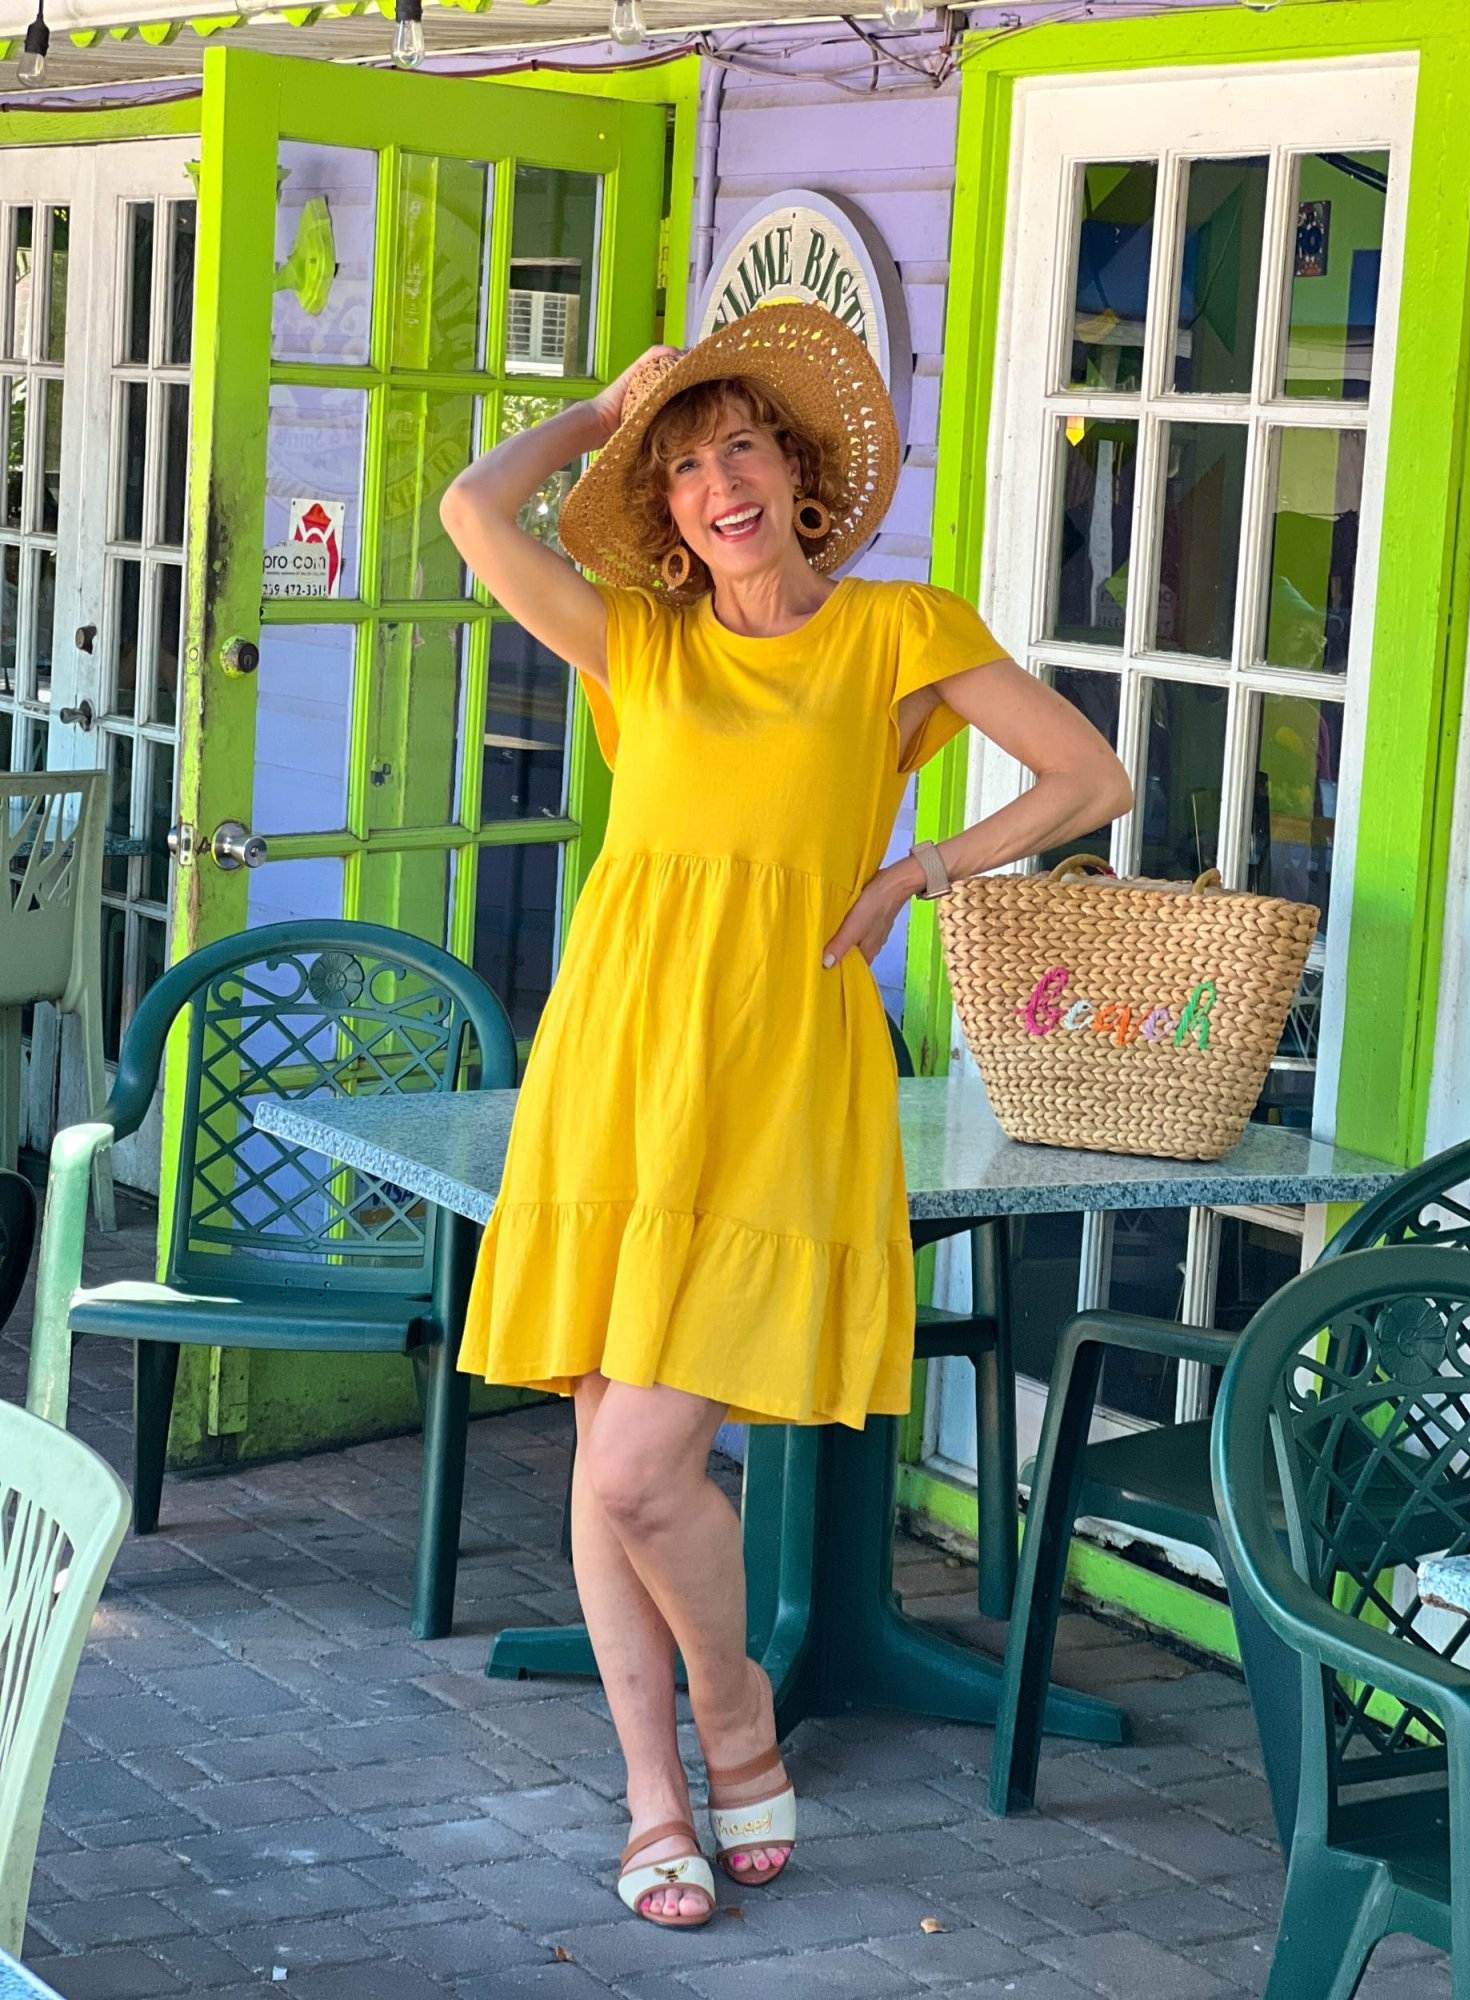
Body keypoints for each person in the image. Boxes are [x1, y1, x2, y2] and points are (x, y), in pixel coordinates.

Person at [440, 303, 1132, 1930]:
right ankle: (656, 1794)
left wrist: (912, 870)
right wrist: (603, 418)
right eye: (681, 470)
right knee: (605, 1435)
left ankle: (737, 1707)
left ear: (797, 470)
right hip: (617, 1062)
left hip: (776, 1072)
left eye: (737, 447)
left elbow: (1085, 779)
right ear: (663, 509)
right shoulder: (639, 639)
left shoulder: (897, 632)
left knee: (632, 1470)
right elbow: (479, 511)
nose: (715, 485)